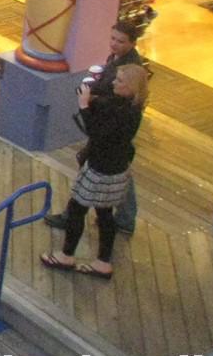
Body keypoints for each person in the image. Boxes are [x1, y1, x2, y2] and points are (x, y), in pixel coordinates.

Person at [41, 63, 149, 280]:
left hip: (102, 169)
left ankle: (66, 255)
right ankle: (102, 262)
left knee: (77, 209)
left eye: (119, 81)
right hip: (115, 167)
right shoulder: (131, 107)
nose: (113, 83)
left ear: (131, 86)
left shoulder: (125, 113)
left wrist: (84, 106)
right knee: (105, 213)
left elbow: (97, 133)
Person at [45, 22, 148, 235]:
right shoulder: (116, 60)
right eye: (112, 39)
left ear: (132, 43)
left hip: (109, 132)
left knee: (106, 175)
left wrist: (89, 101)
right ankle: (122, 219)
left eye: (120, 41)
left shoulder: (130, 71)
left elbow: (111, 103)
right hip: (108, 134)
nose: (114, 44)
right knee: (117, 174)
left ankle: (106, 220)